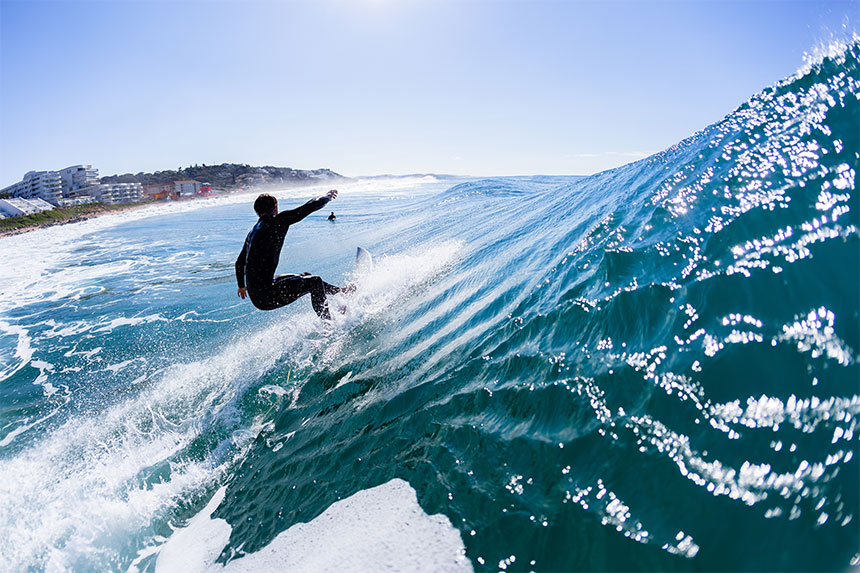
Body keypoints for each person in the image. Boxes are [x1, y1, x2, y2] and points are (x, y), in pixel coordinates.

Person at [235, 190, 350, 320]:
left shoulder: (252, 232)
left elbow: (239, 263)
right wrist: (327, 197)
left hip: (257, 296)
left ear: (257, 211)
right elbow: (310, 206)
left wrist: (241, 286)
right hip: (268, 296)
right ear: (275, 208)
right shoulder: (277, 222)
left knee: (306, 276)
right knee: (314, 281)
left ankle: (341, 292)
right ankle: (328, 324)